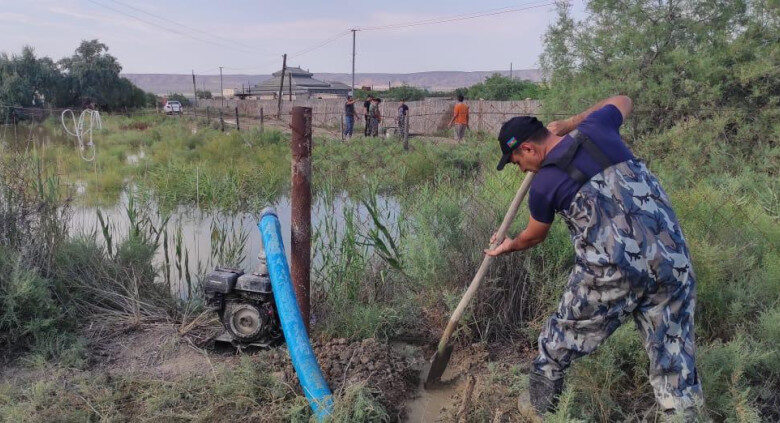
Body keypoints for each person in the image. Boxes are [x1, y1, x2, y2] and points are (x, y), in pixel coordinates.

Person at [485, 96, 703, 418]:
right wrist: (573, 123)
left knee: (560, 337)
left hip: (611, 274)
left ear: (528, 149)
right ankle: (685, 414)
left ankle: (539, 407)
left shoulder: (543, 185)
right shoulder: (599, 127)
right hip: (672, 261)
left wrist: (509, 244)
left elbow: (534, 235)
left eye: (517, 162)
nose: (521, 169)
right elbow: (625, 100)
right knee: (674, 357)